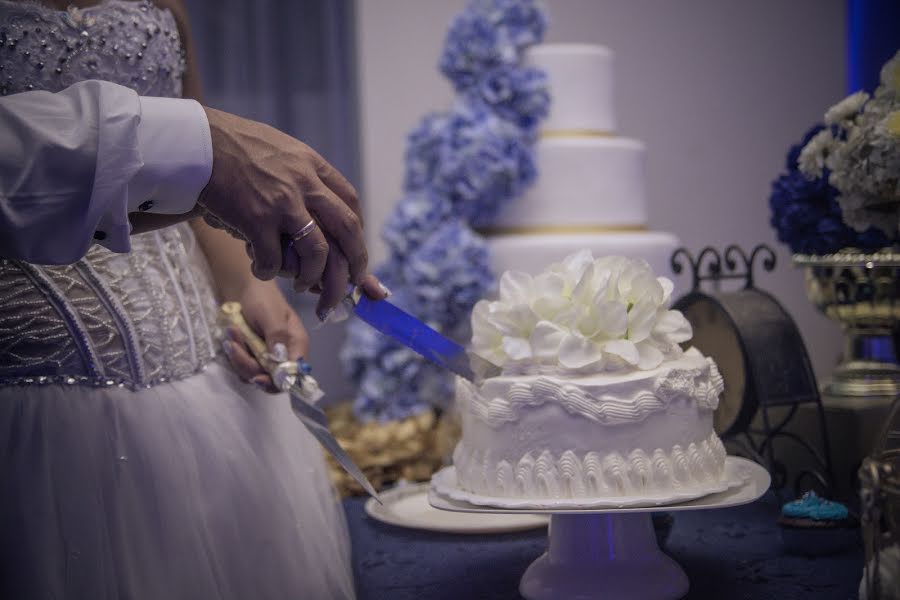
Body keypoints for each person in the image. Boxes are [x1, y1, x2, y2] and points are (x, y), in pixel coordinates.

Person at [0, 0, 385, 598]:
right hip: (34, 409)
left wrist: (252, 289)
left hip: (211, 386)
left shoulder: (164, 6)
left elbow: (201, 196)